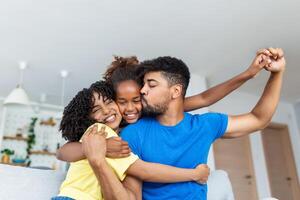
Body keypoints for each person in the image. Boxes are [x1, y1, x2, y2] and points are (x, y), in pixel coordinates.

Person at [102, 47, 284, 199]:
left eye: (151, 84)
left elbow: (258, 119)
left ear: (175, 91)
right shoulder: (132, 133)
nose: (142, 91)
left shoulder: (205, 125)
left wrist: (277, 74)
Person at [57, 52, 267, 161]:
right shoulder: (104, 128)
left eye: (137, 99)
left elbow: (204, 98)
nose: (130, 109)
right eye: (122, 102)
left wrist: (248, 74)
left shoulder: (153, 114)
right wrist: (101, 147)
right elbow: (63, 152)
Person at [52, 81, 210, 200]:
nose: (106, 110)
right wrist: (194, 174)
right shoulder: (101, 132)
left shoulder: (108, 134)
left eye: (108, 102)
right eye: (96, 110)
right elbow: (145, 171)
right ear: (87, 119)